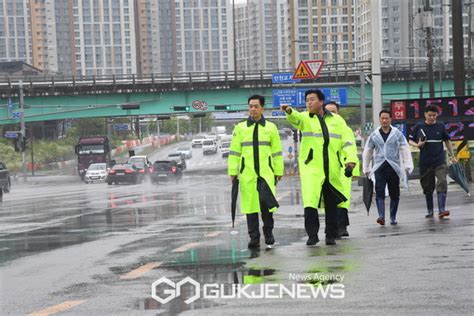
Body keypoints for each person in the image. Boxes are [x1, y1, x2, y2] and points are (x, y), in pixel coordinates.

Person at [281, 90, 357, 246]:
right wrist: (289, 111)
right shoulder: (305, 118)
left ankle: (331, 234)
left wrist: (350, 161)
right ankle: (312, 235)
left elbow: (348, 142)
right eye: (307, 100)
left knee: (331, 203)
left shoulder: (337, 121)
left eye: (312, 99)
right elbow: (295, 118)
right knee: (310, 201)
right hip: (312, 168)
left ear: (321, 101)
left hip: (332, 167)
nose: (308, 102)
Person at [228, 95, 284, 249]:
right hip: (248, 174)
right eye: (250, 106)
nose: (253, 109)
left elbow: (277, 152)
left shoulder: (271, 128)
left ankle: (268, 232)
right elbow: (234, 152)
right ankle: (254, 237)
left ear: (262, 108)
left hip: (266, 174)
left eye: (256, 106)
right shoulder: (240, 128)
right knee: (250, 207)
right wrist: (233, 171)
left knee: (267, 206)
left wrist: (278, 170)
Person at [363, 110, 414, 225]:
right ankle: (381, 216)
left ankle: (393, 217)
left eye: (387, 118)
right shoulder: (374, 135)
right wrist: (366, 168)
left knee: (394, 193)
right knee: (379, 191)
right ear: (379, 119)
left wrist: (408, 165)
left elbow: (405, 149)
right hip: (380, 167)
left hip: (393, 167)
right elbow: (368, 151)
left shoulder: (397, 134)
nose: (384, 120)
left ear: (391, 119)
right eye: (382, 118)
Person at [408, 105, 457, 219]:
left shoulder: (440, 126)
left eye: (434, 115)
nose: (432, 117)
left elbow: (447, 140)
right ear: (425, 114)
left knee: (442, 182)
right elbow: (410, 140)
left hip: (439, 160)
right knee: (427, 186)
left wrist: (452, 155)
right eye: (429, 115)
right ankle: (430, 211)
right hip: (425, 162)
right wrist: (417, 145)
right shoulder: (419, 126)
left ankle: (441, 209)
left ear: (437, 115)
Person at [325, 101, 360, 237]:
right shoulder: (320, 128)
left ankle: (342, 227)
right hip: (328, 169)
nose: (331, 114)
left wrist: (352, 169)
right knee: (330, 199)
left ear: (338, 113)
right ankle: (332, 227)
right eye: (328, 111)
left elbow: (351, 149)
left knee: (343, 198)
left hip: (343, 169)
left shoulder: (345, 129)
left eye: (334, 111)